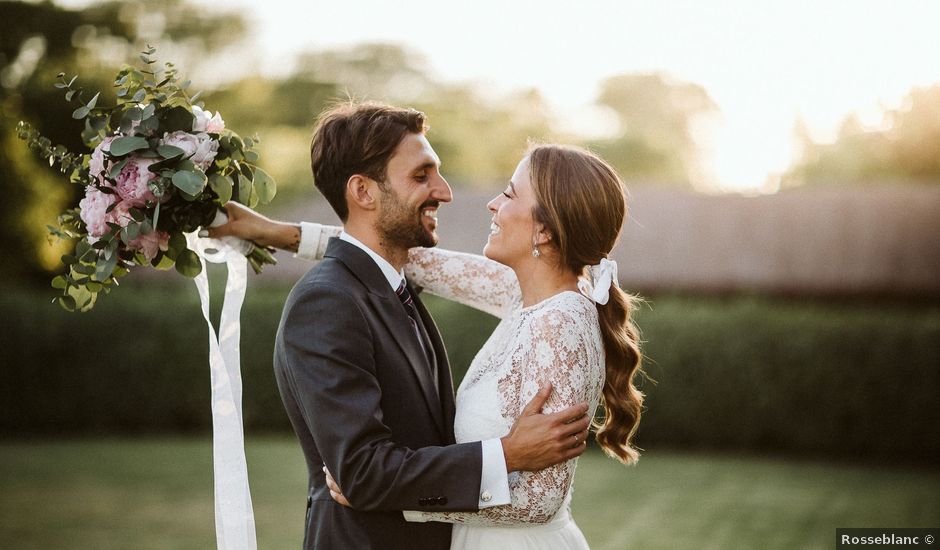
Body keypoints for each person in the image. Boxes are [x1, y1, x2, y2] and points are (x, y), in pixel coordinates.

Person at [213, 138, 645, 549]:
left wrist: (397, 505)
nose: (493, 204)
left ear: (546, 231)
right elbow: (395, 252)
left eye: (510, 195)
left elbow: (539, 502)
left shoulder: (563, 323)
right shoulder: (526, 294)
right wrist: (274, 232)